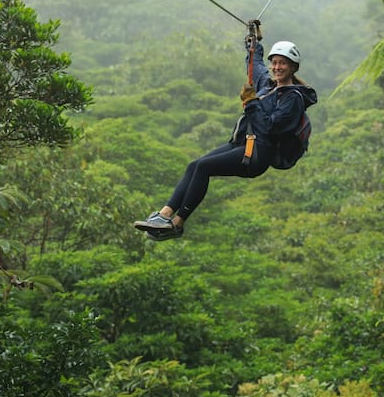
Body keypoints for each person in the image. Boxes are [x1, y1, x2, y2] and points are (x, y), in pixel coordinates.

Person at [134, 27, 318, 241]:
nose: (277, 67)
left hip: (257, 153)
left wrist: (250, 103)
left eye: (282, 63)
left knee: (204, 167)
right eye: (274, 62)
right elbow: (255, 66)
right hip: (242, 143)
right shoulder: (267, 86)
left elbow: (270, 128)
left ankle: (178, 222)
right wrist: (253, 44)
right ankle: (164, 215)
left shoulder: (293, 98)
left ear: (293, 67)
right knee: (194, 165)